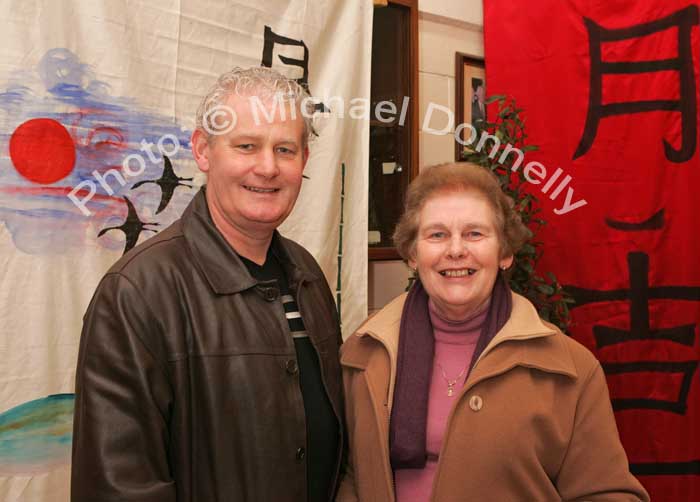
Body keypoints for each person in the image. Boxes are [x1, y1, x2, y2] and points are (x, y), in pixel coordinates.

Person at [71, 67, 344, 502]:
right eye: (247, 146)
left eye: (285, 149)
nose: (268, 167)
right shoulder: (138, 291)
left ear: (304, 162)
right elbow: (118, 487)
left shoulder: (308, 275)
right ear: (203, 150)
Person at [336, 163, 649, 501]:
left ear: (505, 252)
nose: (455, 250)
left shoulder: (571, 369)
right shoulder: (363, 353)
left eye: (474, 233)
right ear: (413, 254)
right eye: (437, 234)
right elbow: (351, 476)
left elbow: (608, 493)